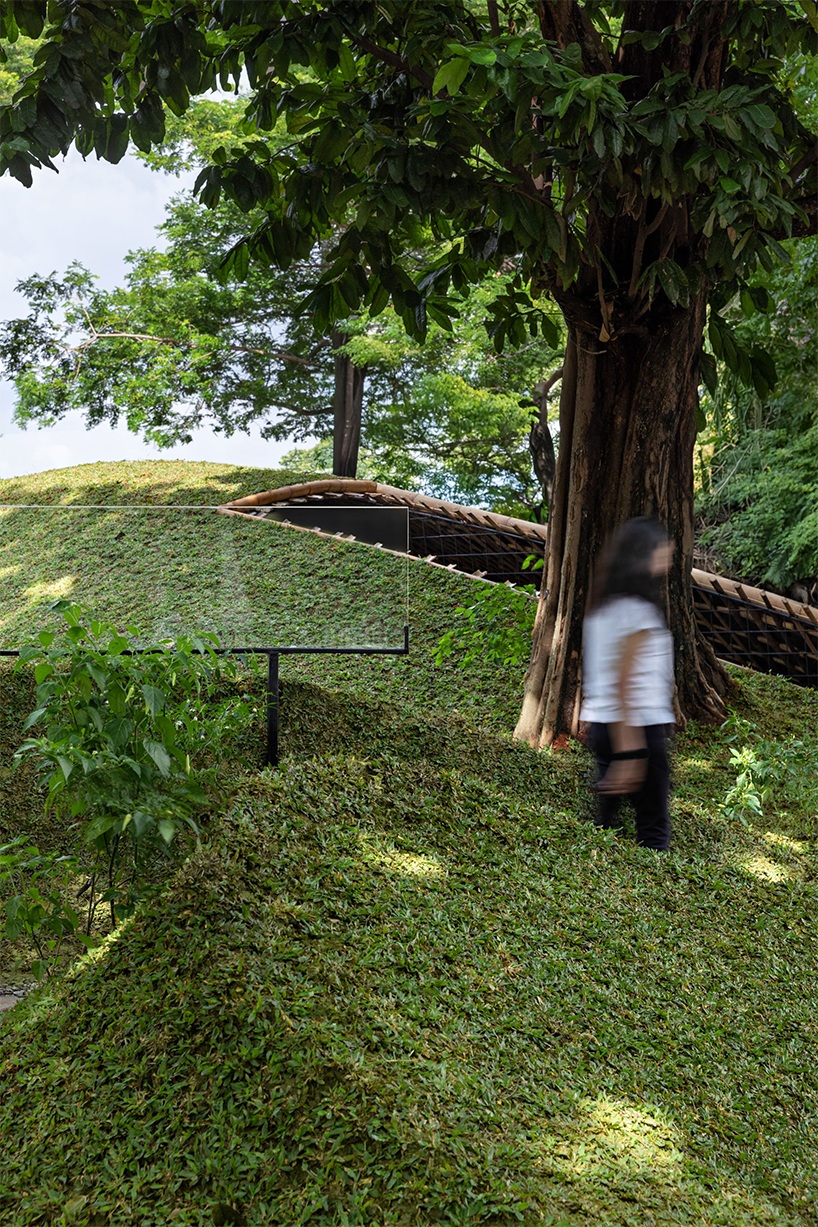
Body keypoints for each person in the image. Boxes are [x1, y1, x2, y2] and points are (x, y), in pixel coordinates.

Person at [581, 517, 676, 850]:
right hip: (637, 728)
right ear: (644, 554)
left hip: (601, 726)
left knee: (604, 826)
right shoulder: (638, 613)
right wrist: (631, 753)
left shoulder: (601, 610)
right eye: (664, 551)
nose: (669, 558)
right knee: (653, 830)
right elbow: (624, 684)